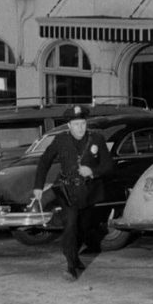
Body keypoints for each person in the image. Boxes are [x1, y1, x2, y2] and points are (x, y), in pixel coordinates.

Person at [33, 105, 113, 282]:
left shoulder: (97, 139)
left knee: (83, 228)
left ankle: (74, 257)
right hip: (66, 190)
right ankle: (70, 267)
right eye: (76, 124)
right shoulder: (60, 140)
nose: (80, 128)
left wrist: (92, 171)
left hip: (87, 191)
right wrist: (38, 186)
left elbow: (108, 166)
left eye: (82, 123)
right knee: (70, 225)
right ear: (69, 126)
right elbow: (45, 161)